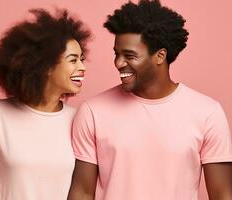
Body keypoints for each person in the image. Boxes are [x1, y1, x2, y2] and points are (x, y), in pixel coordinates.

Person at [67, 0, 232, 199]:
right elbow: (82, 193)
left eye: (129, 55)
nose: (119, 63)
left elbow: (222, 194)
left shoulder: (207, 113)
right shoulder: (93, 112)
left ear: (160, 56)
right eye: (117, 54)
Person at [0, 8, 91, 200]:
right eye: (73, 60)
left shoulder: (80, 119)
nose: (82, 67)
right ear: (46, 67)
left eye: (82, 59)